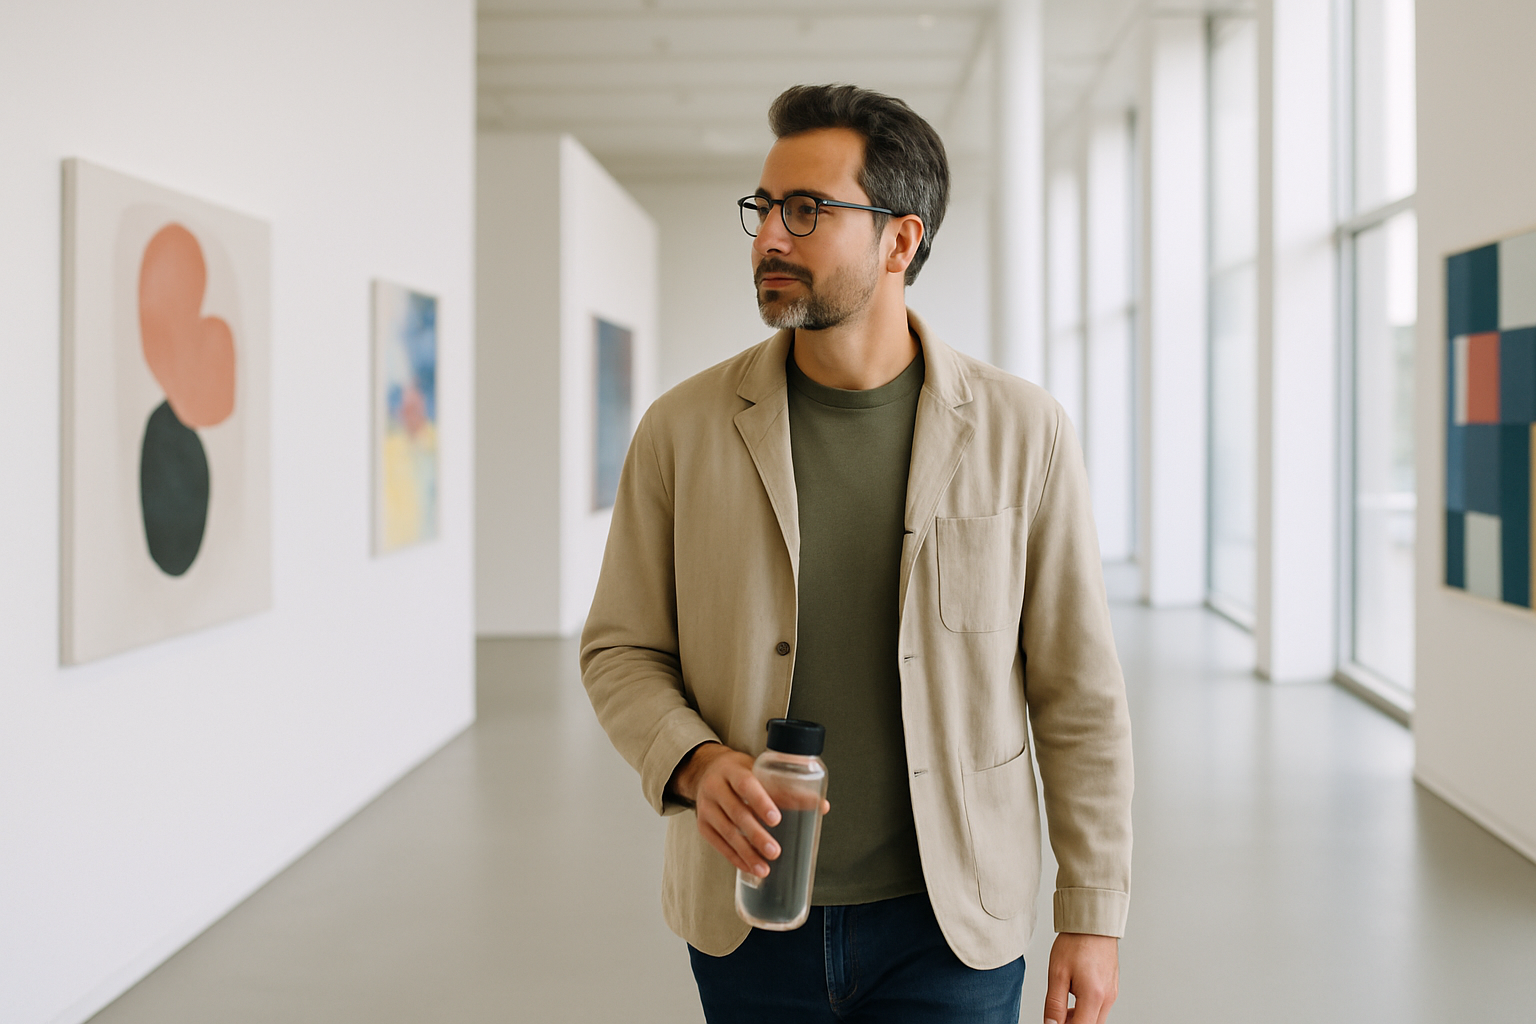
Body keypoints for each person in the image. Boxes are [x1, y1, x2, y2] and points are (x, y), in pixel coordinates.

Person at [580, 83, 1133, 1024]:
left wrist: (1092, 911)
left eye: (806, 210)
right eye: (764, 207)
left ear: (900, 242)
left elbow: (1077, 690)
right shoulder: (682, 431)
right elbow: (619, 648)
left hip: (951, 927)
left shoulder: (1022, 431)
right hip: (749, 919)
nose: (770, 237)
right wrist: (696, 762)